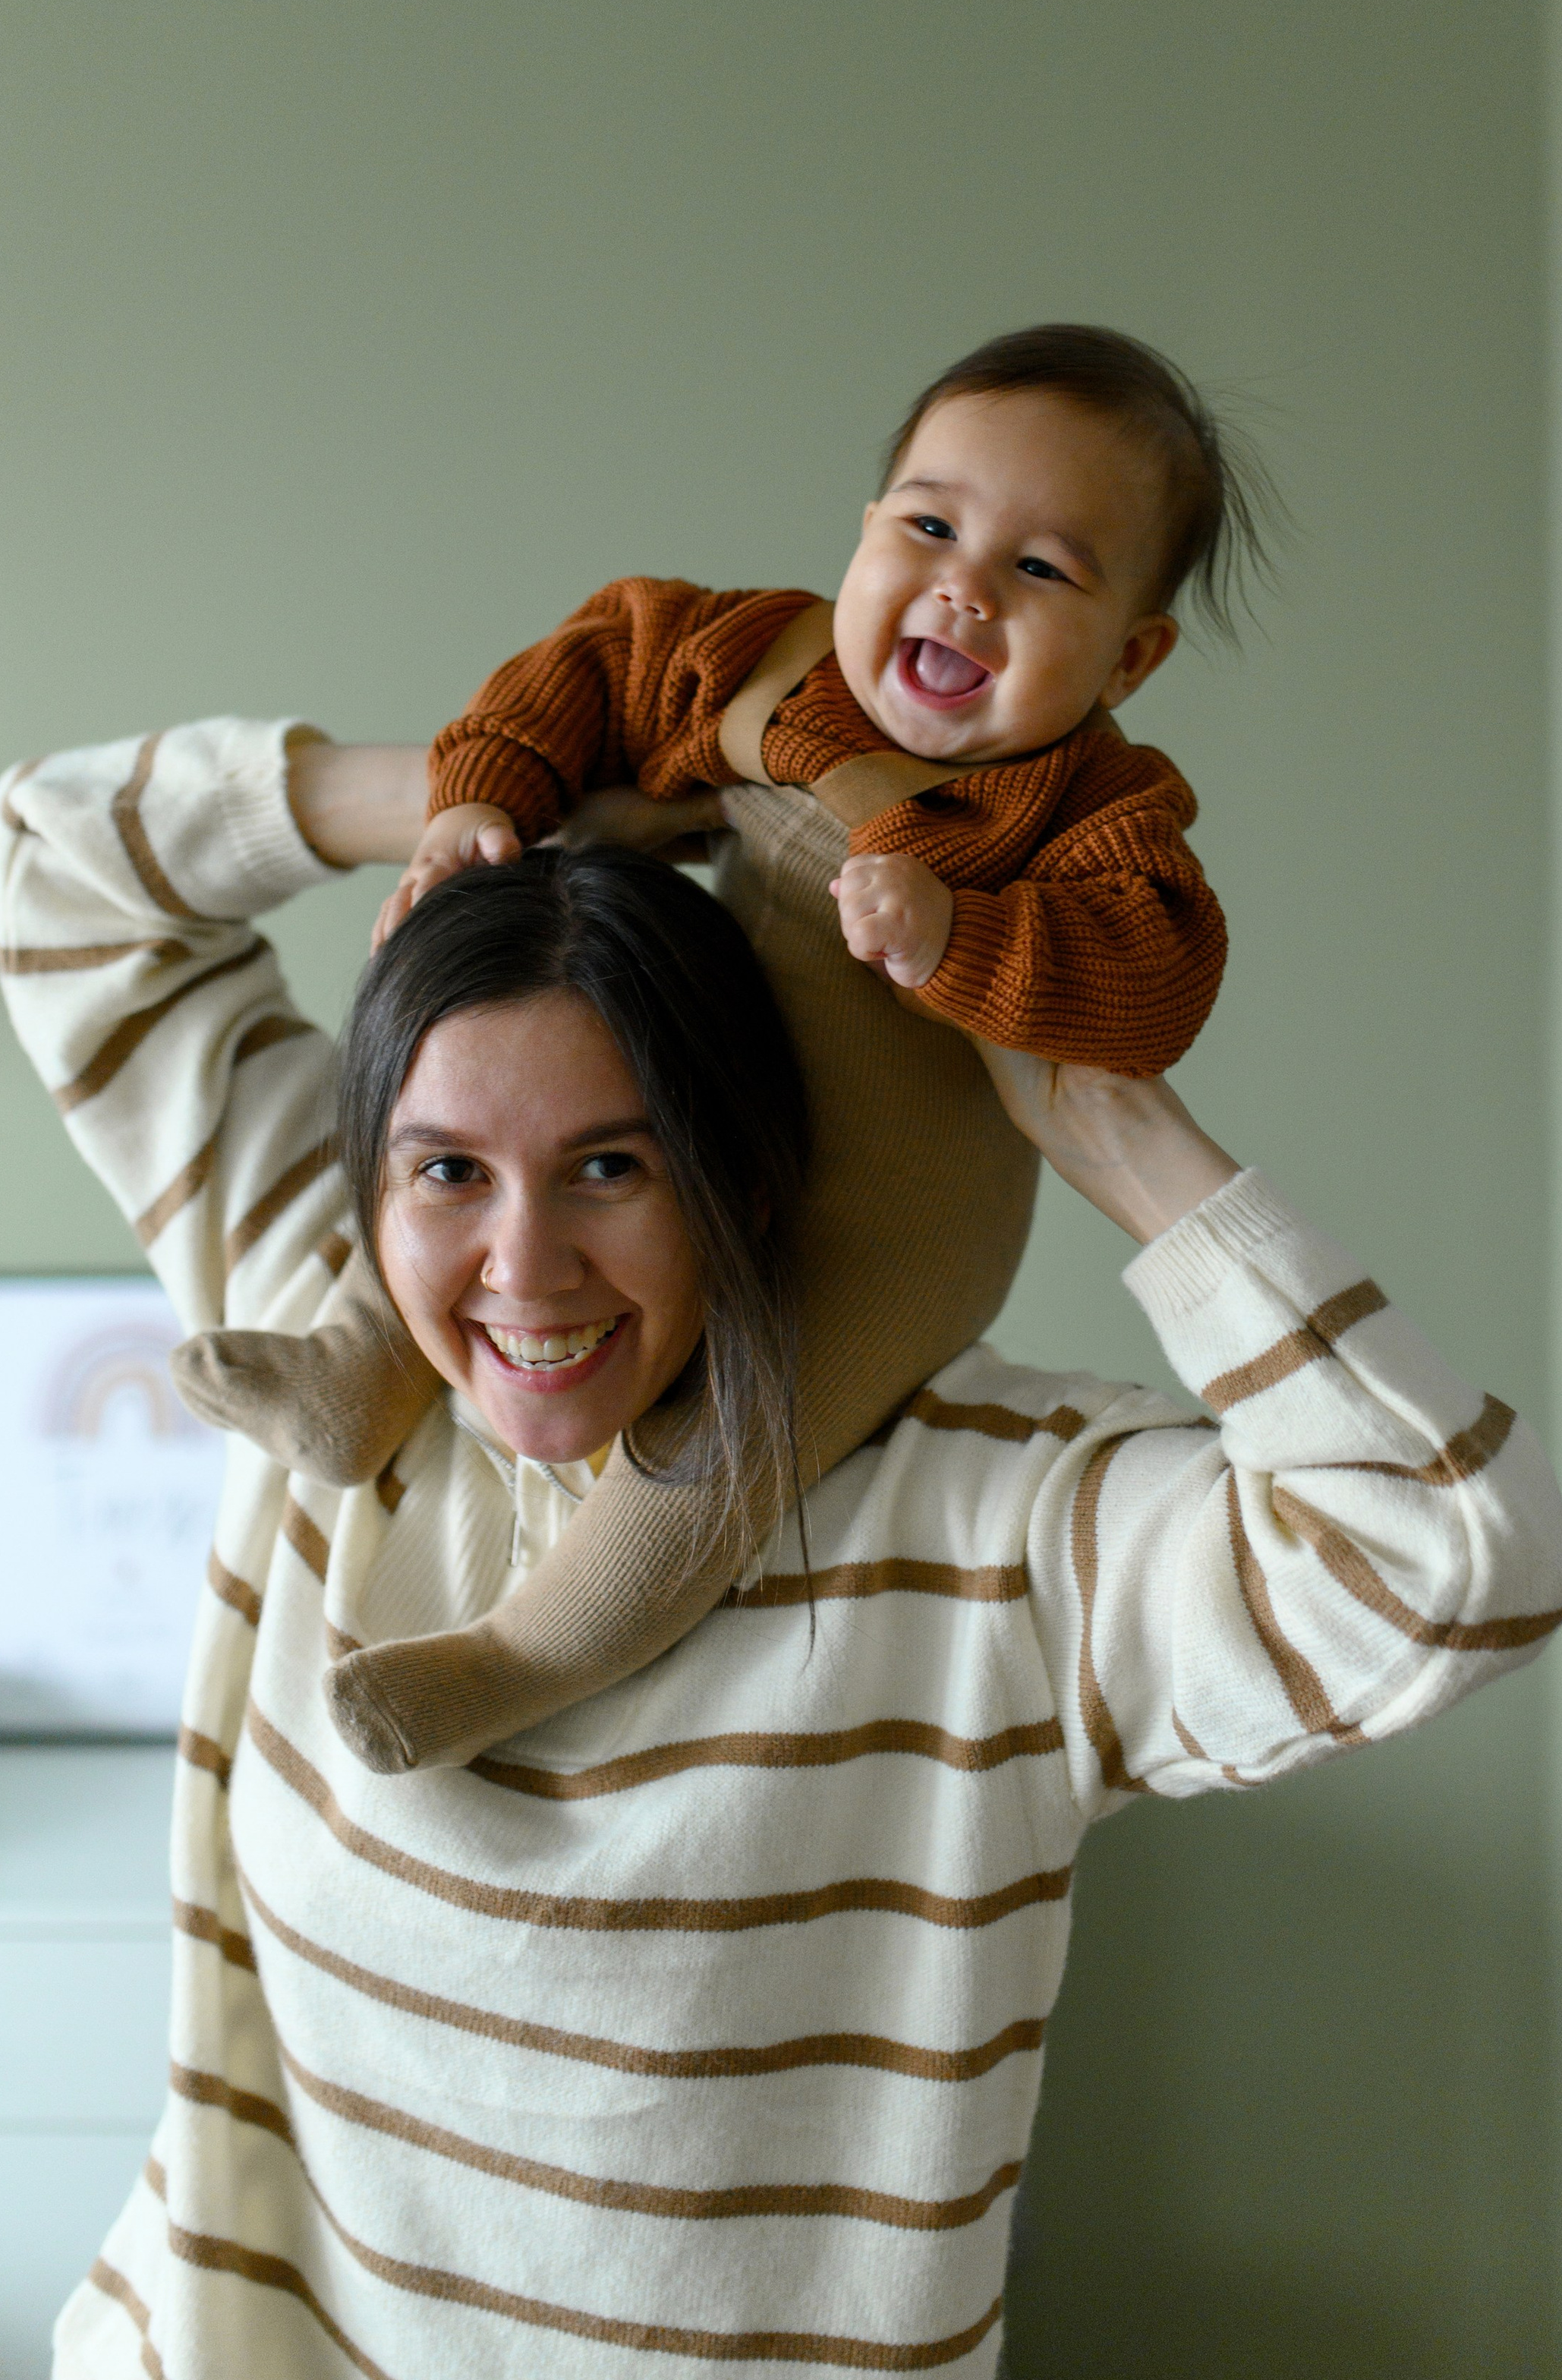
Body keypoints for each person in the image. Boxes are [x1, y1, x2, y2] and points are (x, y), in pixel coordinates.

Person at [0, 716, 1562, 2380]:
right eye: (445, 1168)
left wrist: (1106, 1120)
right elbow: (60, 859)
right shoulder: (314, 1330)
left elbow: (1453, 1565)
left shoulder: (985, 1526)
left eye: (613, 1162)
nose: (519, 1266)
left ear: (741, 1175)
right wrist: (481, 797)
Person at [182, 325, 1269, 1779]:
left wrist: (962, 939)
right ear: (866, 532)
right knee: (495, 1183)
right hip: (695, 1116)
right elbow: (588, 664)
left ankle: (522, 1651)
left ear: (1132, 650)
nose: (966, 588)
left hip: (889, 1226)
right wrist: (476, 799)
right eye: (932, 527)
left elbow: (1154, 984)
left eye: (1043, 571)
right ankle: (353, 1371)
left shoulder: (1097, 813)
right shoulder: (762, 655)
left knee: (736, 1436)